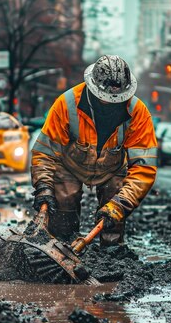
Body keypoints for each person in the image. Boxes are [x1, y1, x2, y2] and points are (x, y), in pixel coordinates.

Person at [31, 55, 157, 246]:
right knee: (63, 207)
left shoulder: (138, 112)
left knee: (114, 211)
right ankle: (61, 244)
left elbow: (144, 167)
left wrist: (120, 204)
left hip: (112, 169)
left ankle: (111, 252)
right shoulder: (66, 104)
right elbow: (45, 152)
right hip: (69, 166)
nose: (111, 104)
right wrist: (44, 187)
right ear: (92, 87)